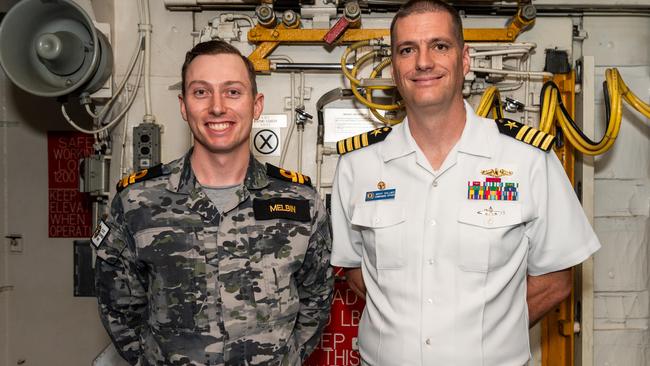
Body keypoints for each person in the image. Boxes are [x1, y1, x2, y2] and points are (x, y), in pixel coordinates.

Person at [330, 1, 601, 365]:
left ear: (465, 59)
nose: (423, 61)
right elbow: (356, 273)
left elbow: (555, 281)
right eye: (407, 50)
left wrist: (488, 335)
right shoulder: (357, 165)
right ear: (394, 68)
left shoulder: (528, 160)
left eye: (439, 46)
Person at [93, 40, 333, 366]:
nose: (217, 107)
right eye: (201, 92)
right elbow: (118, 305)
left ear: (256, 104)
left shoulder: (300, 203)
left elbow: (316, 299)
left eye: (233, 92)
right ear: (183, 105)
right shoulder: (138, 202)